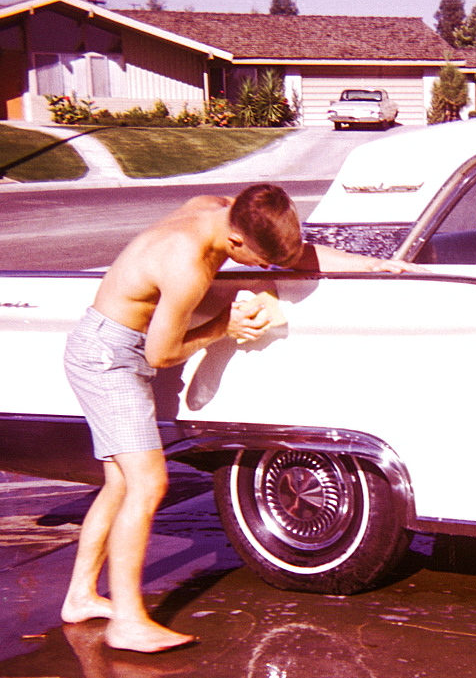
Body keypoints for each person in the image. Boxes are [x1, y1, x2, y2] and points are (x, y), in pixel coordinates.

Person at [62, 183, 422, 653]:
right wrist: (221, 328)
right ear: (235, 242)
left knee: (121, 483)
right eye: (256, 260)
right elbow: (162, 351)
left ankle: (80, 597)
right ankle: (127, 622)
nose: (264, 270)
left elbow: (293, 254)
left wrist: (373, 265)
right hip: (107, 358)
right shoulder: (185, 261)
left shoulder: (219, 209)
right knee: (148, 484)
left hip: (113, 347)